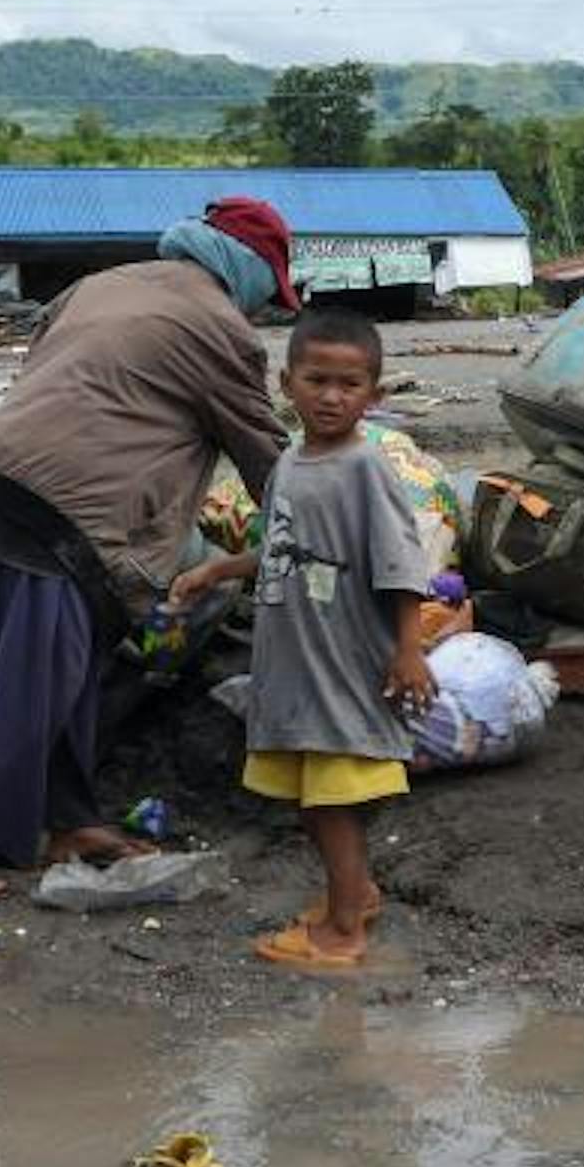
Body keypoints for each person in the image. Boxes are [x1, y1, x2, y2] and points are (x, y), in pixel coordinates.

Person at [0, 201, 297, 897]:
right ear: (250, 272)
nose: (265, 307)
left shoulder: (104, 283)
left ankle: (64, 817)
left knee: (62, 670)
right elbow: (268, 461)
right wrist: (338, 521)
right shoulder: (222, 329)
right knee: (34, 681)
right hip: (69, 507)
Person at [169, 310, 436, 969]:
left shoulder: (366, 468)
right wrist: (218, 568)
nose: (332, 395)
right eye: (317, 380)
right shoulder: (290, 461)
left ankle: (345, 930)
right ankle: (357, 895)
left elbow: (402, 563)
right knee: (306, 800)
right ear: (286, 383)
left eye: (349, 384)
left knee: (335, 802)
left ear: (373, 394)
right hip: (293, 664)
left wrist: (409, 649)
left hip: (345, 665)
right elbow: (282, 547)